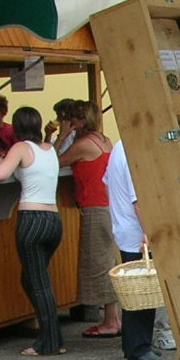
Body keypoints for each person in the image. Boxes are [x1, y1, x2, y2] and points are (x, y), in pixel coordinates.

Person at [0, 107, 64, 356]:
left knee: (38, 282)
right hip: (54, 220)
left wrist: (1, 163)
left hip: (31, 219)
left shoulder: (21, 147)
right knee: (33, 278)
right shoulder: (49, 148)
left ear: (17, 127)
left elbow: (0, 175)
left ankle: (49, 342)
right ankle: (52, 334)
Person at [59, 102, 120, 339]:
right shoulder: (103, 140)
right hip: (108, 206)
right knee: (107, 262)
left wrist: (61, 136)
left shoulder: (83, 145)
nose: (68, 122)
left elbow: (53, 161)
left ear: (81, 121)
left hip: (96, 208)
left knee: (98, 264)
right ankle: (113, 317)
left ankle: (110, 321)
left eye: (71, 119)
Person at [104, 138, 166, 360]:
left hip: (125, 226)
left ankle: (140, 344)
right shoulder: (132, 151)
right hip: (135, 231)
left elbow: (106, 183)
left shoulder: (120, 147)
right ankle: (138, 347)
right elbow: (138, 200)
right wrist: (150, 231)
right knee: (140, 290)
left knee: (141, 289)